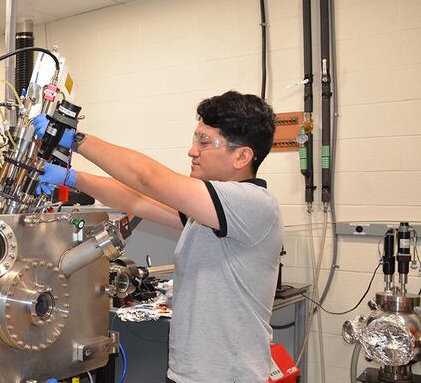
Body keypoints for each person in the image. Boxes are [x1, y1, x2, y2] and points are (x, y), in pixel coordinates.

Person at [34, 91, 284, 382]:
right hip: (188, 373)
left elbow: (147, 178)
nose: (192, 151)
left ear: (242, 156)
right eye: (195, 139)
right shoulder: (207, 213)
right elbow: (138, 200)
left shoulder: (253, 204)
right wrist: (72, 178)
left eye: (204, 141)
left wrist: (76, 140)